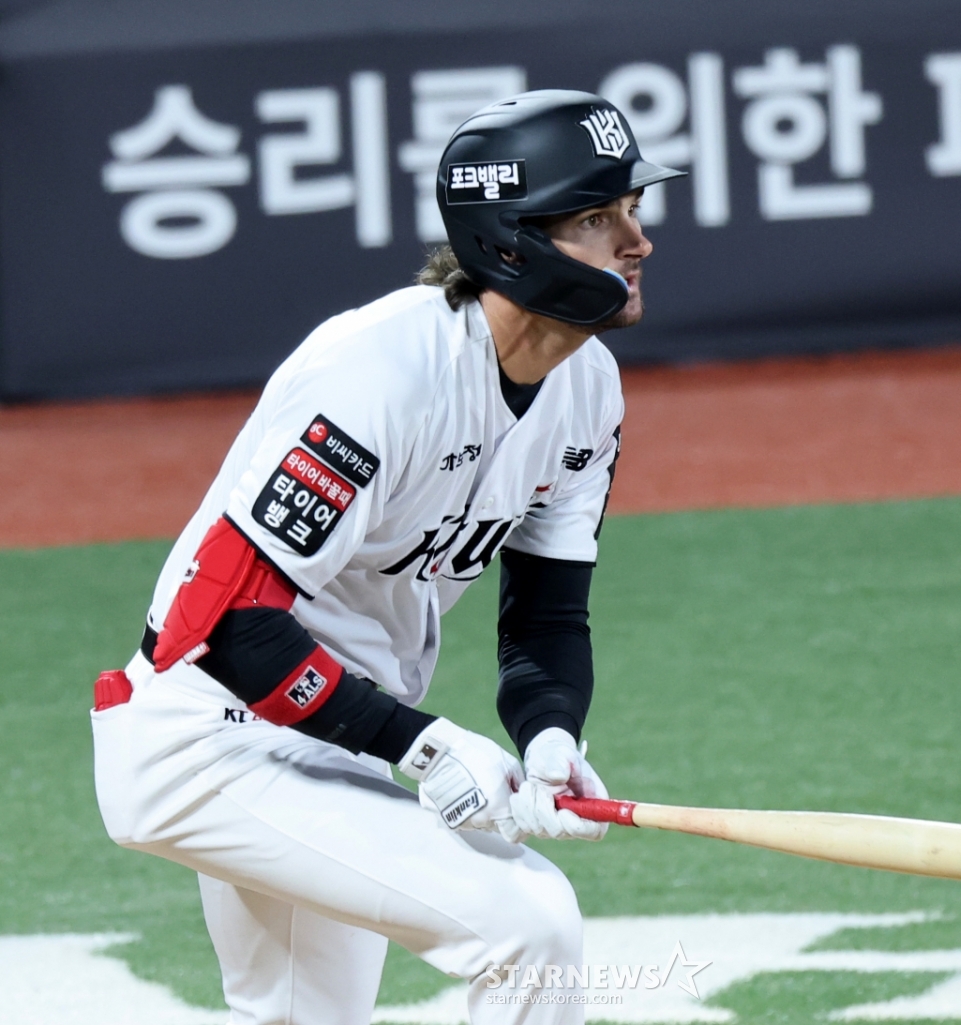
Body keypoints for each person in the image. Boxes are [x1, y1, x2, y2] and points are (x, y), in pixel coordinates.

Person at [89, 89, 684, 1025]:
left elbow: (547, 617)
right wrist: (424, 744)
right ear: (510, 241)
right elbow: (225, 625)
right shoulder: (382, 371)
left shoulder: (588, 390)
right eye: (597, 218)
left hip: (335, 735)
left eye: (634, 209)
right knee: (530, 922)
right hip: (210, 738)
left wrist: (550, 737)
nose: (638, 240)